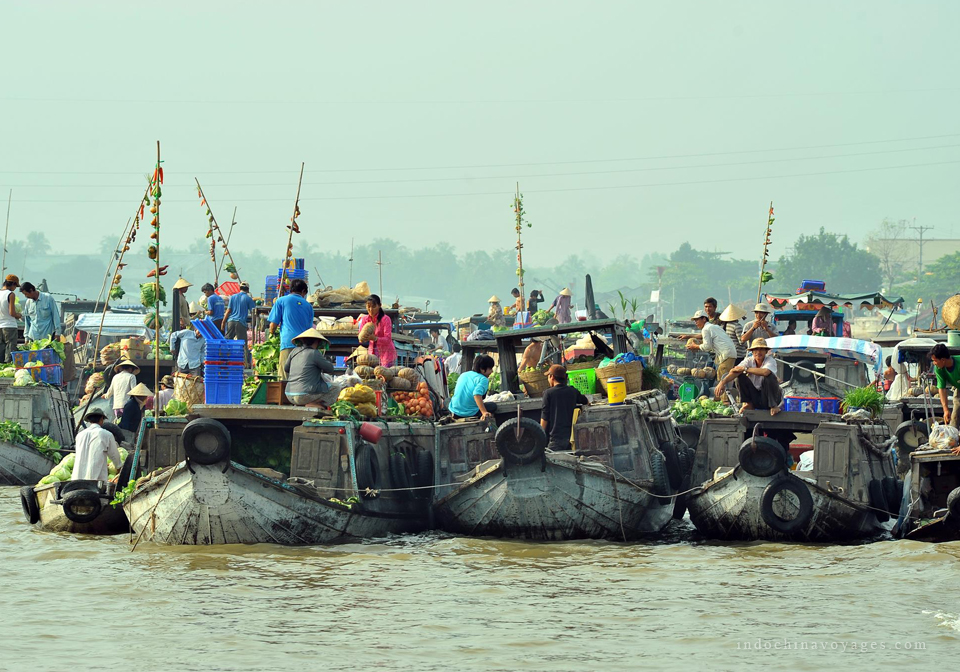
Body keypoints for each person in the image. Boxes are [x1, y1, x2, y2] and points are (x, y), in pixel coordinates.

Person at [715, 338, 783, 415]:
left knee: (769, 376)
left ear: (766, 351)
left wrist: (745, 369)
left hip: (767, 398)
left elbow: (765, 372)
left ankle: (773, 406)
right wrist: (722, 382)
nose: (758, 352)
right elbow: (735, 371)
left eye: (761, 349)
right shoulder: (748, 360)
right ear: (752, 352)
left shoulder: (770, 360)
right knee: (740, 376)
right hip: (755, 397)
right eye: (756, 350)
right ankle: (748, 403)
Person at [267, 278, 315, 380]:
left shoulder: (281, 301)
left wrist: (272, 333)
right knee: (300, 376)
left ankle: (284, 395)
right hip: (303, 344)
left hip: (287, 343)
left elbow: (273, 325)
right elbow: (309, 329)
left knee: (285, 375)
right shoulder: (308, 306)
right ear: (303, 291)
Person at [283, 328, 341, 407]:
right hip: (304, 395)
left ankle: (304, 404)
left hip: (289, 394)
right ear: (317, 342)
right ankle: (314, 404)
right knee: (336, 387)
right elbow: (330, 369)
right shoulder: (314, 353)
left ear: (303, 341)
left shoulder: (294, 351)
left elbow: (286, 368)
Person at [686, 310, 738, 391]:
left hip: (726, 355)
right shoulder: (713, 326)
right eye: (695, 320)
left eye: (697, 320)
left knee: (722, 379)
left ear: (704, 319)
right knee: (725, 379)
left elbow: (707, 347)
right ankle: (721, 399)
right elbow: (710, 343)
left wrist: (695, 346)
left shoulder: (706, 329)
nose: (696, 322)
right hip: (730, 354)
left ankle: (725, 402)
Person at [540, 364, 589, 451]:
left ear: (552, 377)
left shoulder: (548, 393)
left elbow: (545, 416)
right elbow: (586, 401)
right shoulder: (573, 391)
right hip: (572, 438)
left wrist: (540, 434)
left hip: (556, 439)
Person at [72, 408, 124, 482]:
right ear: (101, 419)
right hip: (96, 481)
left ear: (89, 421)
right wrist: (118, 467)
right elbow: (114, 455)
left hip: (76, 479)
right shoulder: (106, 434)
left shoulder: (80, 435)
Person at [449, 354, 497, 420]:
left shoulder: (464, 374)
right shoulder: (483, 379)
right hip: (469, 413)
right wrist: (484, 412)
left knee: (447, 401)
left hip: (454, 411)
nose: (492, 371)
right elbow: (476, 394)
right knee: (493, 406)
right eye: (490, 369)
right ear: (482, 369)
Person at [357, 294, 397, 367]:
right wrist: (363, 338)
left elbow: (388, 339)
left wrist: (375, 338)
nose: (371, 309)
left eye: (374, 306)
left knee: (384, 375)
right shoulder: (364, 319)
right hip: (372, 353)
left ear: (379, 305)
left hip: (386, 354)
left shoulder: (386, 319)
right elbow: (360, 337)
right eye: (368, 307)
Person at [930, 343, 960, 429]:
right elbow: (942, 389)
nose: (934, 363)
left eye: (935, 360)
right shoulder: (939, 369)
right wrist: (946, 410)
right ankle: (953, 436)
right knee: (955, 416)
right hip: (959, 388)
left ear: (943, 360)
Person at [0, 274, 21, 363]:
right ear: (13, 284)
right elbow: (12, 313)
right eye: (15, 286)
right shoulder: (10, 294)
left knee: (1, 349)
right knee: (10, 349)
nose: (15, 288)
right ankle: (8, 366)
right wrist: (18, 315)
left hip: (0, 325)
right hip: (9, 326)